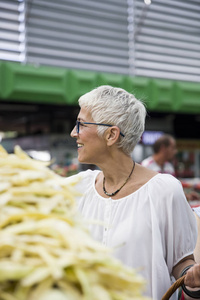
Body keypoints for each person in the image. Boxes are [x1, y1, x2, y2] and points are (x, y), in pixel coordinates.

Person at [68, 85, 200, 300]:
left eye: (81, 124)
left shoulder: (164, 191)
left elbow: (182, 263)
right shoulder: (76, 188)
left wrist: (192, 279)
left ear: (111, 135)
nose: (74, 132)